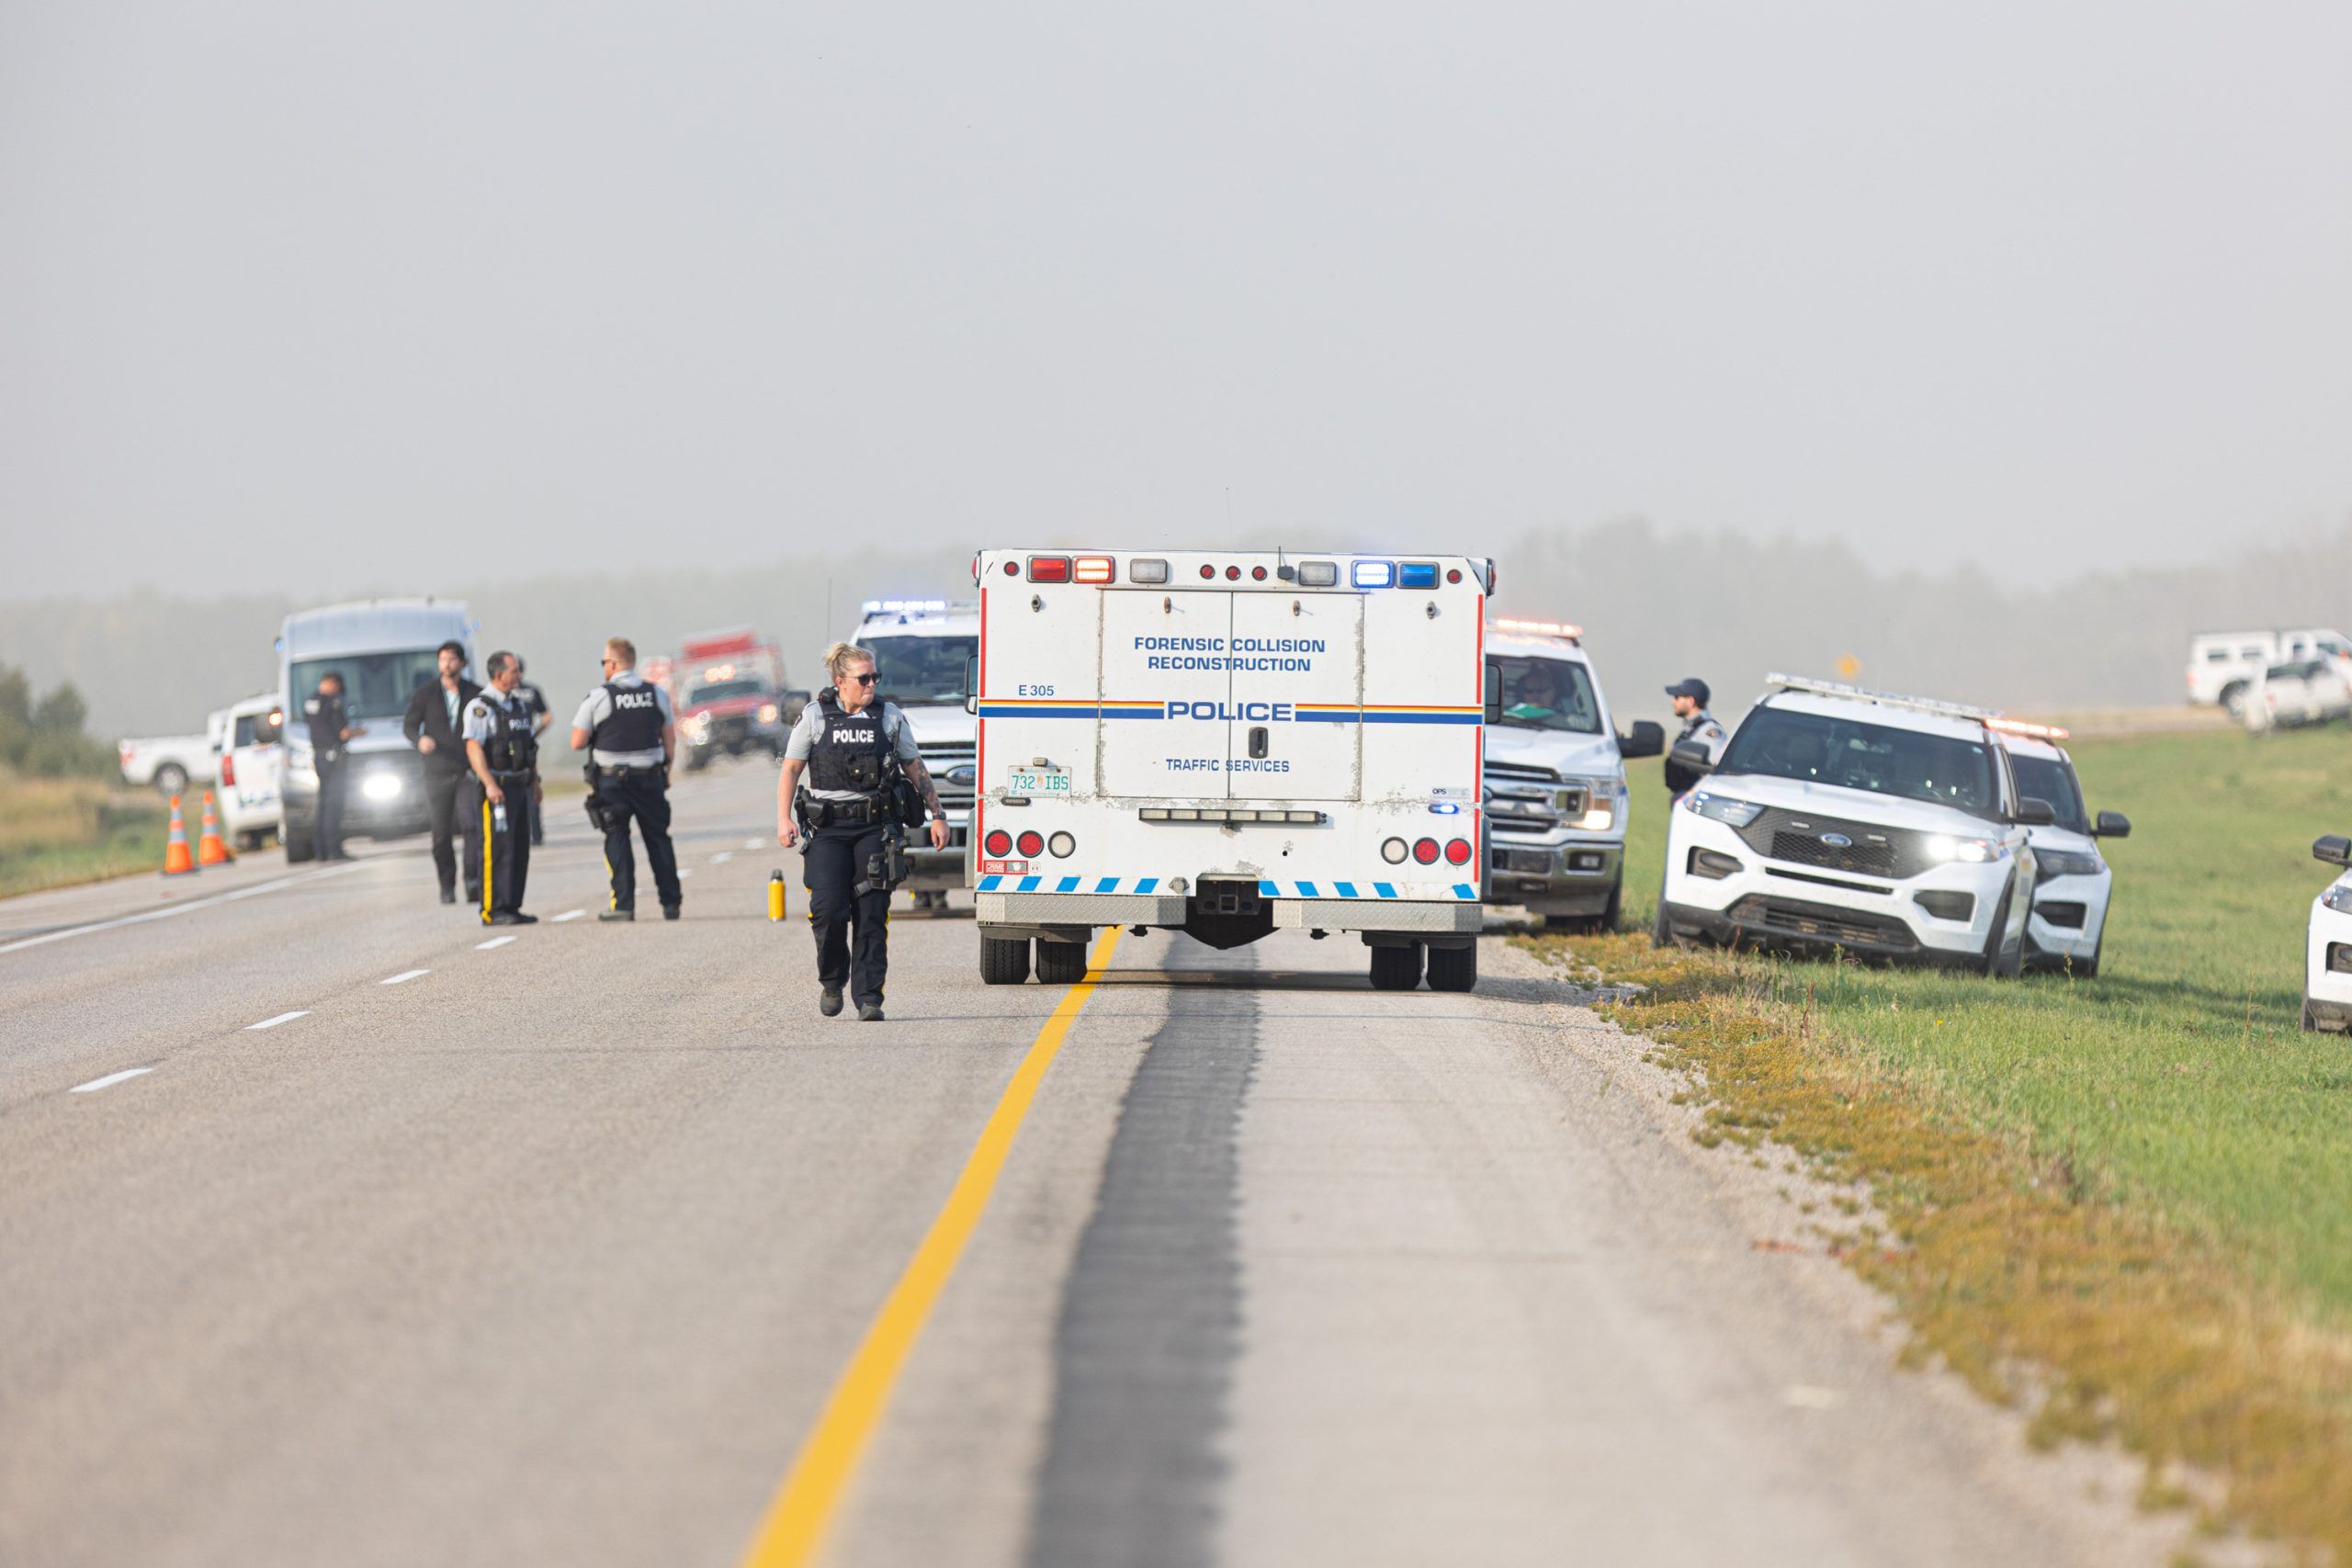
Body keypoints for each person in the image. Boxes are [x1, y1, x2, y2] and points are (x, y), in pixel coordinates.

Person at [775, 641, 950, 1022]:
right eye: (864, 678)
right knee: (828, 911)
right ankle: (832, 980)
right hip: (828, 830)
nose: (872, 684)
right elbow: (790, 769)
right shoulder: (815, 717)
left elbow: (914, 766)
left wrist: (938, 814)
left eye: (875, 677)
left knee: (872, 913)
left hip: (874, 827)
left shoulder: (888, 717)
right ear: (840, 681)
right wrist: (783, 819)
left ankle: (869, 996)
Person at [570, 637, 683, 922]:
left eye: (604, 662)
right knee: (658, 839)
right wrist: (666, 771)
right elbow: (669, 737)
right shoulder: (656, 693)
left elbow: (577, 741)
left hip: (612, 783)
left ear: (613, 664)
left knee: (617, 838)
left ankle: (623, 905)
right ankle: (671, 903)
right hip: (650, 778)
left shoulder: (599, 696)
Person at [460, 650, 538, 926]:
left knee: (519, 848)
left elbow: (529, 748)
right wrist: (490, 784)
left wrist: (535, 781)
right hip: (496, 790)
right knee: (497, 849)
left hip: (519, 785)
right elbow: (474, 748)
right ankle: (493, 909)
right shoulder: (481, 707)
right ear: (499, 674)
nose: (519, 675)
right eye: (514, 671)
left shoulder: (516, 705)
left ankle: (512, 905)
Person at [401, 640, 482, 905]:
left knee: (471, 827)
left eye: (451, 659)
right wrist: (419, 740)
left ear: (462, 662)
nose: (447, 664)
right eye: (442, 659)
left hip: (466, 771)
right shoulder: (425, 694)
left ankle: (473, 880)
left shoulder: (476, 693)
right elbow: (409, 726)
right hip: (436, 772)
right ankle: (446, 884)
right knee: (440, 833)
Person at [302, 671, 359, 862]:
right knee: (334, 804)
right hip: (333, 758)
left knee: (323, 803)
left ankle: (321, 850)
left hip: (319, 757)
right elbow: (343, 733)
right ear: (333, 684)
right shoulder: (332, 703)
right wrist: (360, 731)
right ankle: (334, 849)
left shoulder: (310, 702)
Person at [1662, 677, 1727, 798]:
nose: (1673, 702)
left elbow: (1719, 768)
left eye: (1677, 698)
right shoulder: (1691, 729)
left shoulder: (1709, 731)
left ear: (1690, 701)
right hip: (1685, 796)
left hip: (1698, 799)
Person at [514, 656, 552, 846]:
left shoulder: (502, 693)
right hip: (527, 746)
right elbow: (547, 718)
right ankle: (536, 834)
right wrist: (533, 734)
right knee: (532, 786)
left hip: (509, 747)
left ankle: (517, 834)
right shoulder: (532, 691)